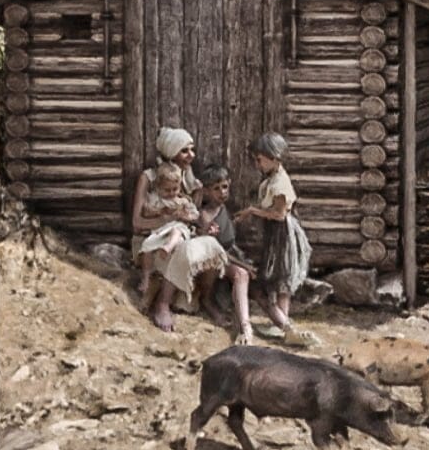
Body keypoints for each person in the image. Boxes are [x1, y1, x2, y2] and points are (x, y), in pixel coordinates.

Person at [131, 127, 228, 333]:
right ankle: (162, 305)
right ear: (171, 151)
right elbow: (137, 223)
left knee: (211, 245)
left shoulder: (190, 179)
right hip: (153, 240)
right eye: (185, 151)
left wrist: (204, 228)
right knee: (183, 248)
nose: (191, 156)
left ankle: (206, 299)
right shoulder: (148, 177)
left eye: (192, 150)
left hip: (182, 234)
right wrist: (167, 218)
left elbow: (190, 217)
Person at [247, 131, 313, 337]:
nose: (257, 165)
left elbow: (278, 214)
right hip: (275, 232)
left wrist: (252, 211)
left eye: (259, 160)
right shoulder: (273, 178)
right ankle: (281, 323)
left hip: (282, 234)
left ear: (274, 158)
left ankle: (284, 324)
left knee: (281, 274)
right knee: (278, 278)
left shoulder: (280, 184)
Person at [193, 163, 257, 346]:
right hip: (212, 259)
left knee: (243, 275)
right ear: (206, 191)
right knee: (231, 267)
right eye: (216, 189)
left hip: (228, 254)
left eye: (225, 187)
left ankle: (245, 324)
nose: (222, 192)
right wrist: (244, 265)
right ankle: (207, 299)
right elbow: (216, 251)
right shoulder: (205, 215)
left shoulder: (223, 209)